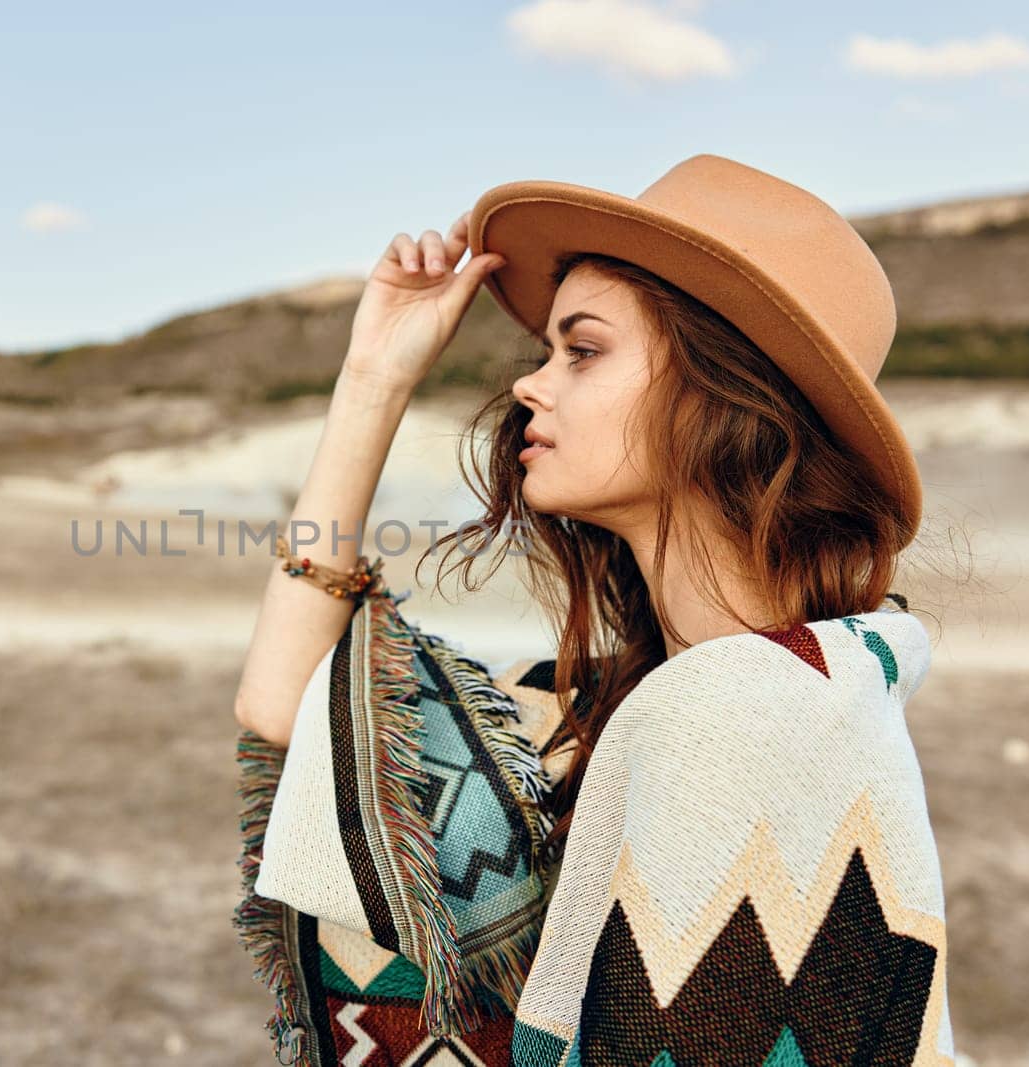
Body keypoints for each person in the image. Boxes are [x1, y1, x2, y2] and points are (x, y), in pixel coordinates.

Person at [233, 154, 956, 1066]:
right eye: (545, 353)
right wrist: (372, 382)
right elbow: (291, 709)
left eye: (582, 350)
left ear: (721, 390)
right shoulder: (626, 702)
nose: (531, 384)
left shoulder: (770, 714)